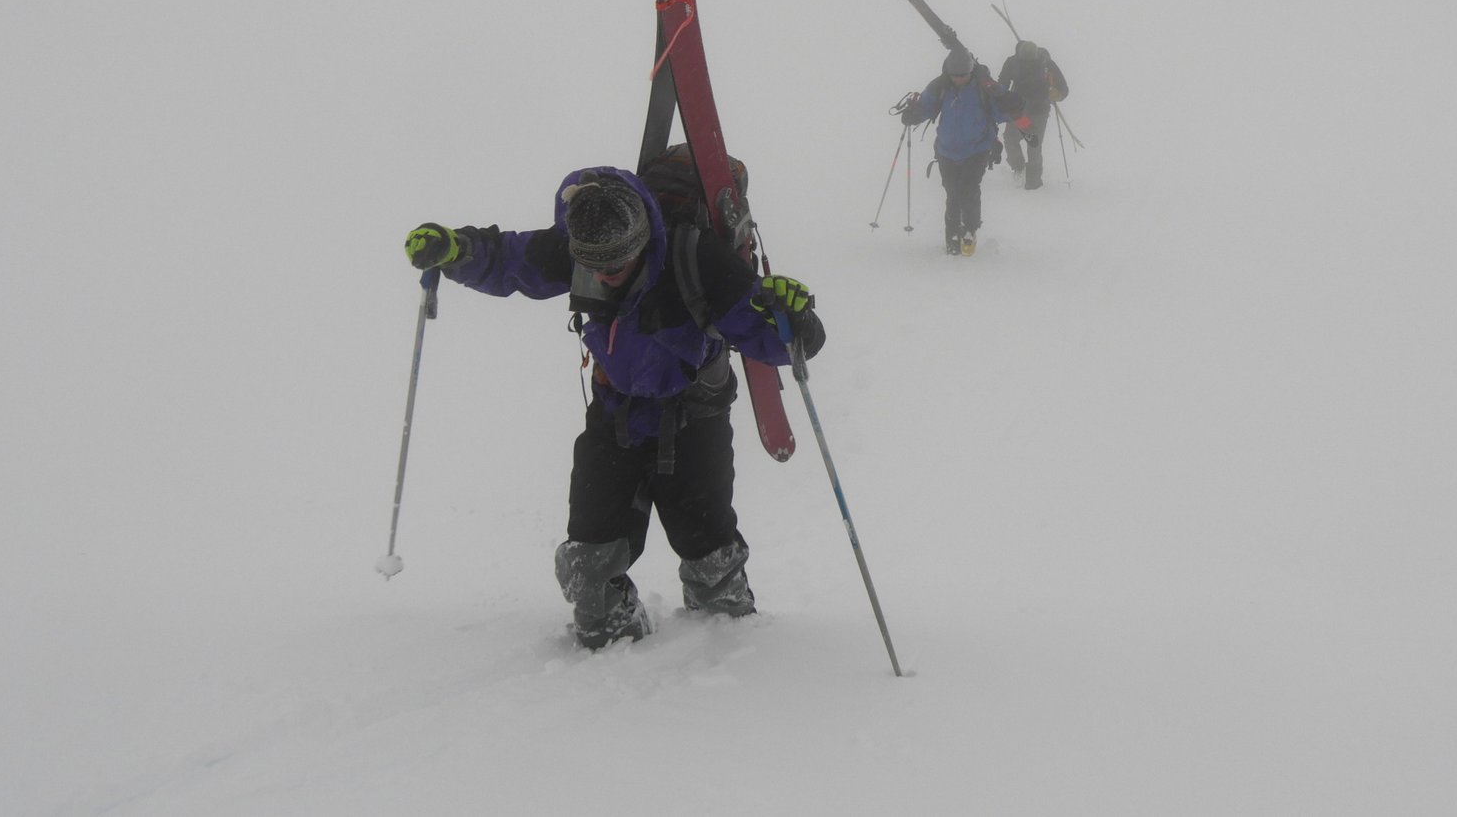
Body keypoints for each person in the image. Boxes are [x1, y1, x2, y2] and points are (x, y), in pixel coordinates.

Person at [403, 165, 825, 650]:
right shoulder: (579, 249)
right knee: (589, 564)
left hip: (694, 417)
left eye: (617, 262)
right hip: (616, 414)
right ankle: (612, 632)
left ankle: (727, 646)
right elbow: (508, 260)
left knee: (711, 556)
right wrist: (455, 249)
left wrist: (796, 321)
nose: (605, 274)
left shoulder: (697, 260)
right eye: (594, 264)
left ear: (642, 240)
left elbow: (766, 338)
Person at [898, 44, 1016, 255]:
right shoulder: (941, 86)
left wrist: (1013, 106)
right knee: (952, 193)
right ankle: (952, 235)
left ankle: (969, 230)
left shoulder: (984, 87)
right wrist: (913, 115)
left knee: (968, 190)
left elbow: (1001, 111)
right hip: (946, 150)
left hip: (977, 148)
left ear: (971, 71)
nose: (959, 79)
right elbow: (926, 106)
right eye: (955, 76)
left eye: (963, 75)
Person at [996, 40, 1070, 190]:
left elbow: (1063, 87)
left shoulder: (1045, 64)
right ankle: (1020, 169)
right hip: (1019, 110)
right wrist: (1001, 98)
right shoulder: (1015, 62)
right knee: (1014, 140)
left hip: (1036, 110)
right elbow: (1002, 83)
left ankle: (1033, 181)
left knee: (1031, 144)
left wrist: (1058, 94)